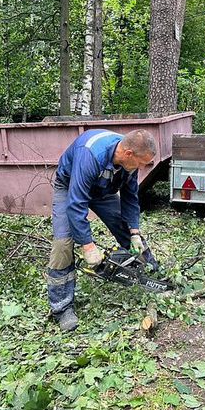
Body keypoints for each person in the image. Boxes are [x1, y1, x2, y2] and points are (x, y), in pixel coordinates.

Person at [47, 128, 157, 331]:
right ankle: (62, 308)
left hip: (103, 189)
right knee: (63, 244)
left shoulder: (129, 164)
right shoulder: (91, 155)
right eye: (142, 163)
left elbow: (130, 198)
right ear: (129, 154)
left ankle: (152, 273)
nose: (142, 168)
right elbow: (76, 203)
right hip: (71, 187)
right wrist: (88, 246)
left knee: (125, 227)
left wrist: (134, 232)